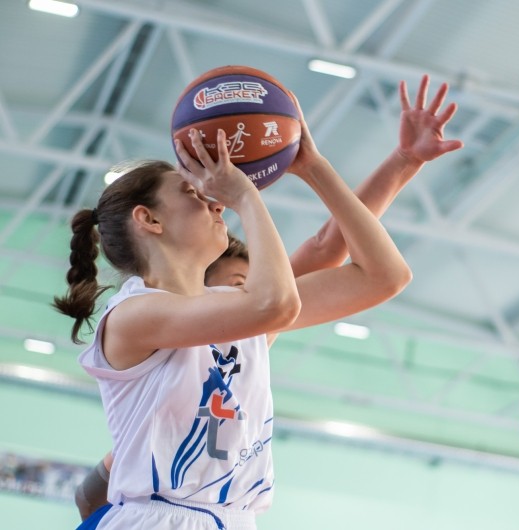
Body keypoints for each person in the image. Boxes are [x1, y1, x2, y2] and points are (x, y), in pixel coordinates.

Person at [72, 73, 464, 525]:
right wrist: (244, 193)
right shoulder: (134, 315)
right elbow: (275, 303)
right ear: (149, 220)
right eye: (193, 192)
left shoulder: (234, 319)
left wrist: (315, 166)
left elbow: (384, 276)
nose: (215, 202)